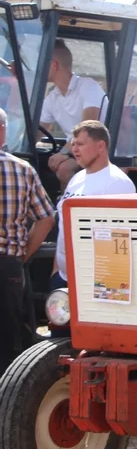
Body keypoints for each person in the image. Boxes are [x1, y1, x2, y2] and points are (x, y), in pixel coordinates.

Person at [0, 108, 56, 373]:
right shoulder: (23, 169)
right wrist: (22, 254)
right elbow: (46, 219)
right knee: (9, 336)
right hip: (8, 264)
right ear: (3, 132)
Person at [52, 121, 136, 290]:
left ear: (100, 146)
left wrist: (105, 286)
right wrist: (55, 272)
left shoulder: (117, 183)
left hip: (94, 282)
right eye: (73, 144)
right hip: (63, 278)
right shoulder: (77, 178)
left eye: (81, 144)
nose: (75, 149)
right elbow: (63, 228)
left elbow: (118, 241)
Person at [40, 39, 108, 188]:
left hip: (97, 147)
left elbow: (87, 130)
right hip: (77, 148)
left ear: (53, 65)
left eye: (41, 63)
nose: (38, 68)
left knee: (64, 169)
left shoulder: (88, 87)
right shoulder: (53, 97)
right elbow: (36, 130)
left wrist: (64, 152)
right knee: (35, 162)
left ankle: (74, 206)